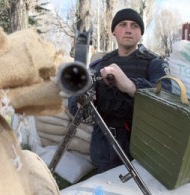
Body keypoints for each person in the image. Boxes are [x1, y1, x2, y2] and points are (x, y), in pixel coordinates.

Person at [68, 8, 171, 173]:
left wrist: (131, 86)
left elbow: (167, 96)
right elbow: (74, 100)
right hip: (104, 144)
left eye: (135, 26)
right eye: (123, 24)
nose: (129, 29)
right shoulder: (99, 65)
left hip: (141, 143)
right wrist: (81, 102)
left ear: (141, 33)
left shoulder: (154, 63)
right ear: (114, 32)